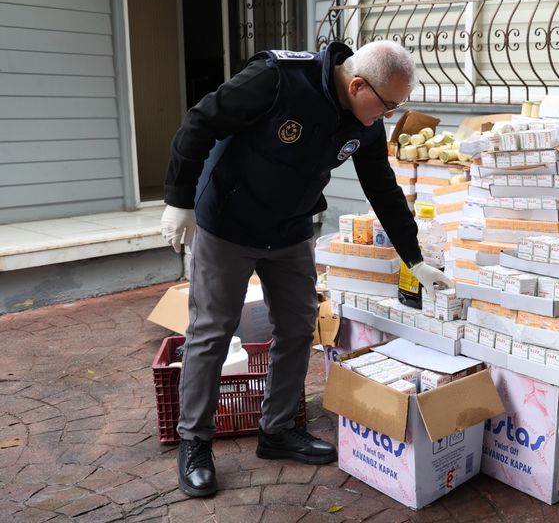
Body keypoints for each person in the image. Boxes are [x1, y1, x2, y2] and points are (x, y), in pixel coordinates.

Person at [160, 40, 452, 498]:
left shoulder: (365, 119)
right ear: (357, 84)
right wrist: (179, 201)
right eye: (388, 104)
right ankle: (195, 441)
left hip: (291, 229)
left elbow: (382, 187)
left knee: (298, 327)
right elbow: (200, 121)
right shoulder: (276, 80)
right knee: (212, 331)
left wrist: (414, 257)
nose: (391, 116)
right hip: (228, 225)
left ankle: (276, 431)